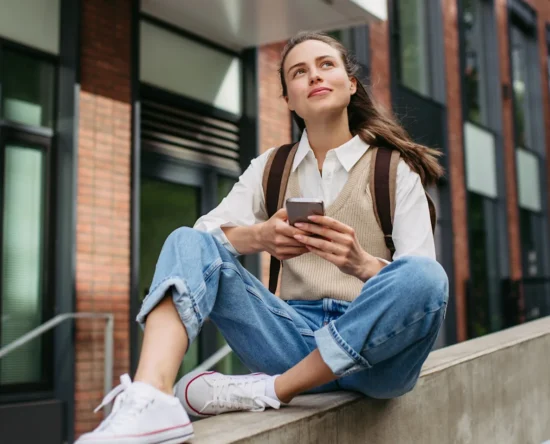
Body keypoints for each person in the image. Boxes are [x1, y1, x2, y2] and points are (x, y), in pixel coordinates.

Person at [76, 31, 449, 444]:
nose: (314, 76)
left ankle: (271, 390)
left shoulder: (394, 170)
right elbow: (204, 239)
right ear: (288, 99)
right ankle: (151, 397)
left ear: (351, 83)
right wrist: (260, 236)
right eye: (299, 72)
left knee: (427, 277)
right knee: (186, 239)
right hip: (291, 338)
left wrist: (360, 263)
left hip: (377, 356)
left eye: (326, 65)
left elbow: (423, 290)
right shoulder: (271, 167)